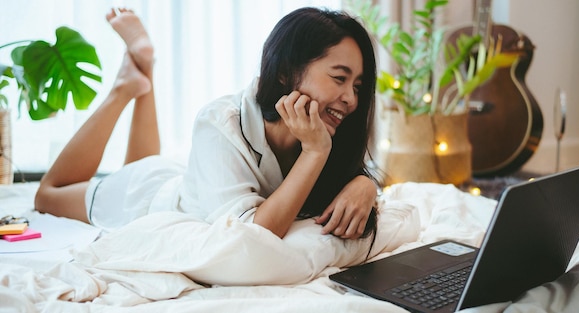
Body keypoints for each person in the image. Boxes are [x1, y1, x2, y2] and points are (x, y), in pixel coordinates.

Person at [34, 7, 379, 240]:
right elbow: (255, 235)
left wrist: (364, 186)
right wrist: (315, 152)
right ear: (287, 72)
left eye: (358, 87)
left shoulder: (328, 135)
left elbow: (342, 181)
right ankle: (125, 88)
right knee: (47, 196)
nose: (351, 98)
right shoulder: (221, 122)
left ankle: (142, 76)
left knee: (139, 161)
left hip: (189, 180)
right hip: (146, 198)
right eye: (339, 78)